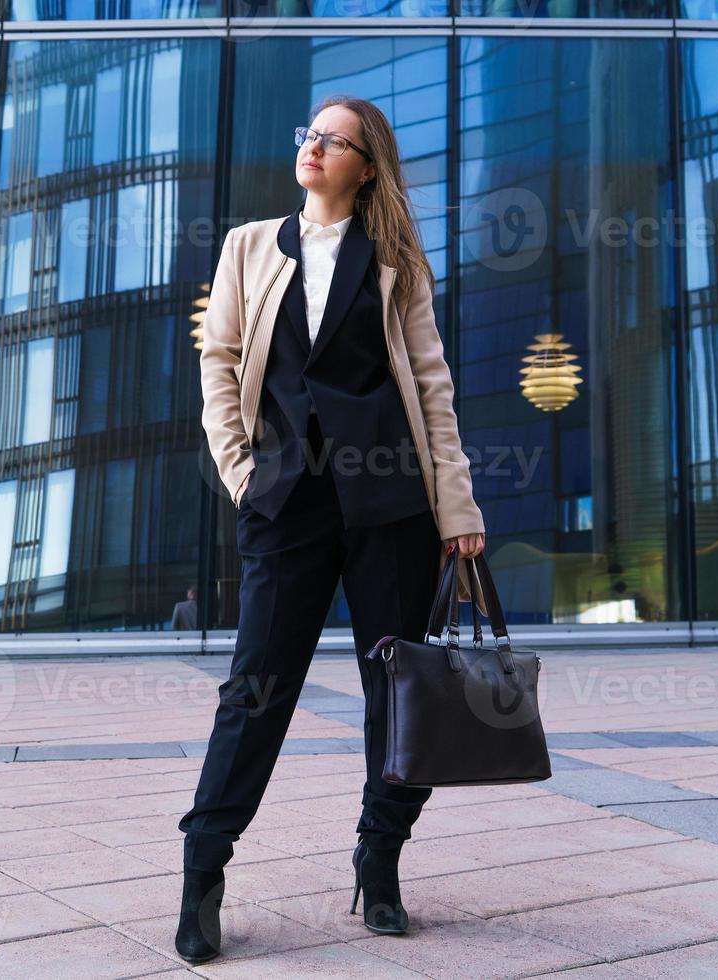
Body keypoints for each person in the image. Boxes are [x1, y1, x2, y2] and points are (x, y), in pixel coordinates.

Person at [175, 95, 488, 962]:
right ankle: (203, 873)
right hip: (285, 504)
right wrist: (242, 476)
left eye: (332, 139)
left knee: (401, 698)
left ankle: (380, 857)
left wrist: (456, 509)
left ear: (366, 165)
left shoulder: (395, 263)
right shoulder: (248, 247)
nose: (311, 147)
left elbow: (432, 387)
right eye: (307, 132)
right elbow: (221, 363)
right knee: (255, 693)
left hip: (392, 506)